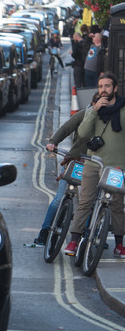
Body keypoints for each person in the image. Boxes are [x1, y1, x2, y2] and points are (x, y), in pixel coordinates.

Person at [64, 73, 125, 257]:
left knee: (116, 205)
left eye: (107, 86)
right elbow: (82, 133)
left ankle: (119, 245)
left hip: (116, 166)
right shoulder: (94, 110)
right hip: (93, 163)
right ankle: (74, 241)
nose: (103, 90)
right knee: (85, 203)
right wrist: (93, 111)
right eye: (100, 87)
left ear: (114, 89)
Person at [34, 97, 95, 245]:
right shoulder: (83, 114)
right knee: (60, 198)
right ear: (92, 104)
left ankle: (89, 234)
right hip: (75, 160)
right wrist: (53, 142)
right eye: (95, 105)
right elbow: (66, 128)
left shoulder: (108, 119)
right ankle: (45, 231)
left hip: (94, 165)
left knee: (88, 202)